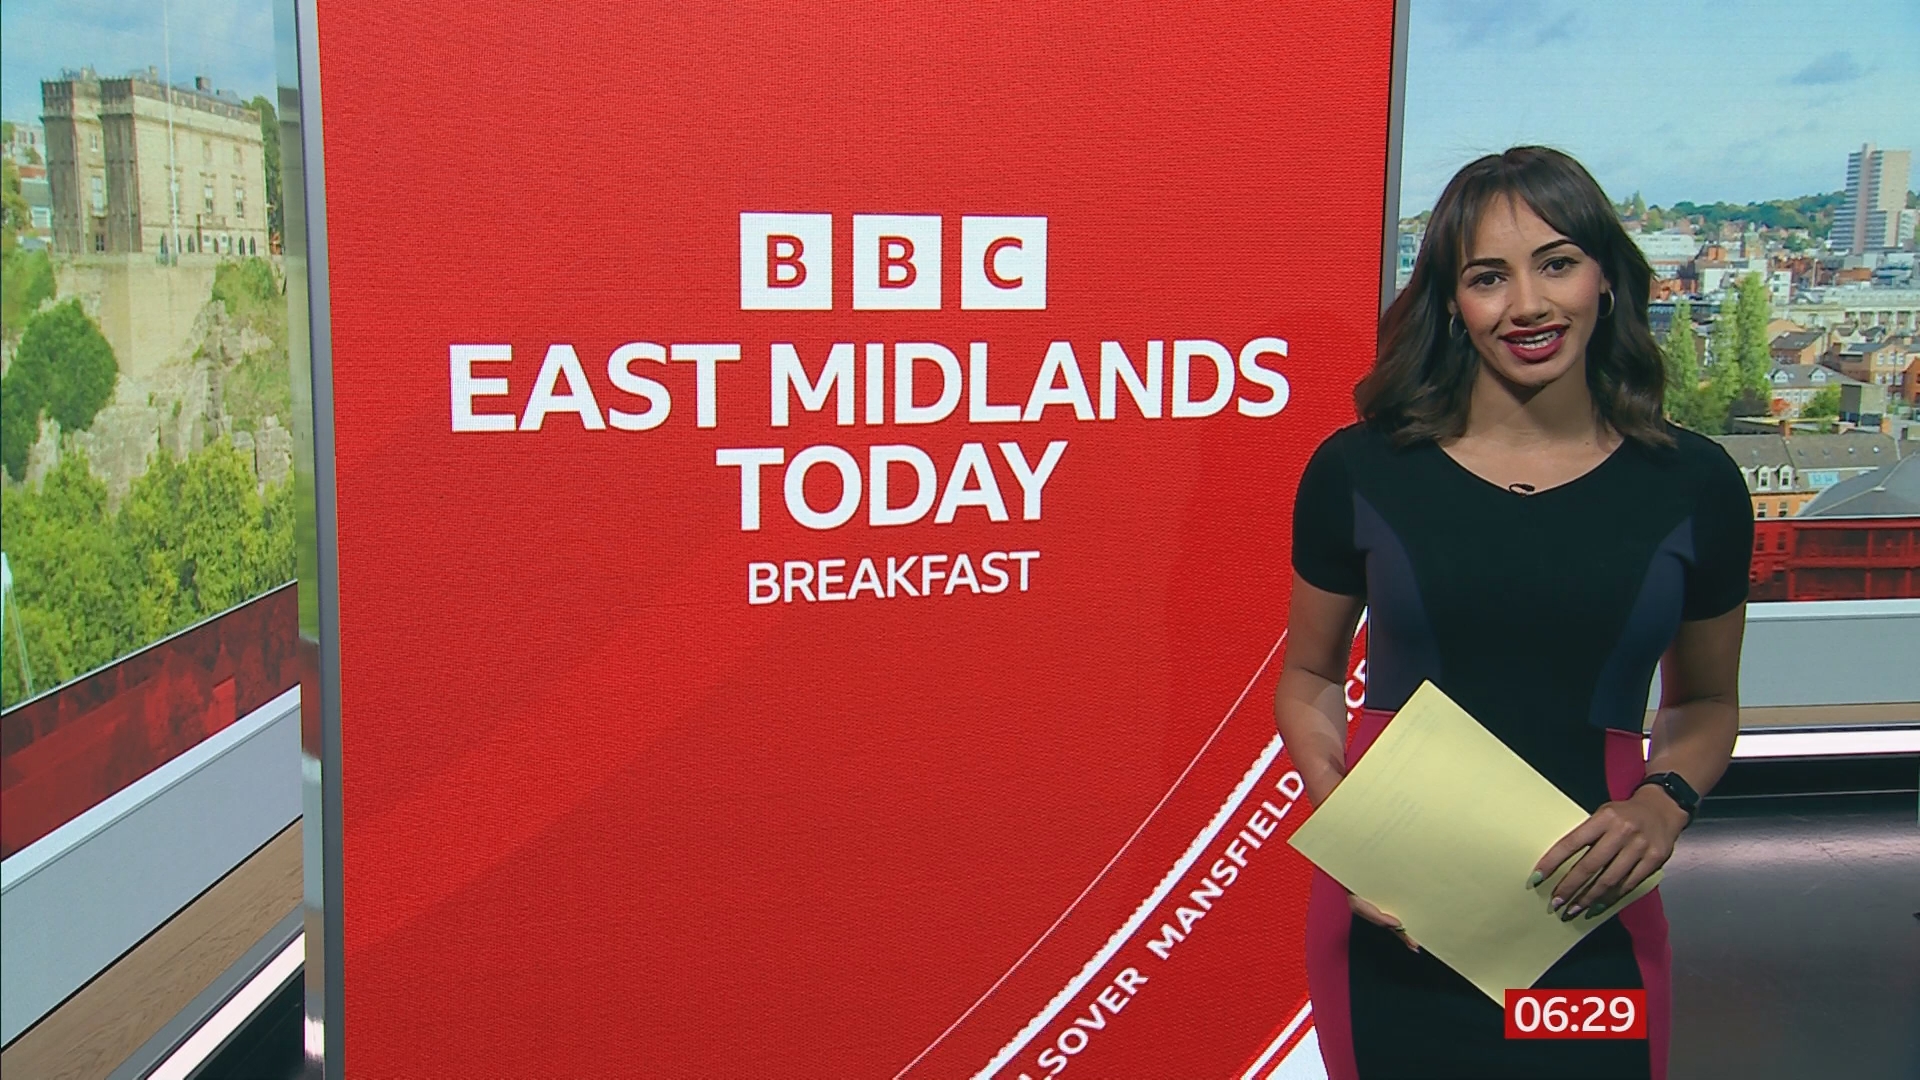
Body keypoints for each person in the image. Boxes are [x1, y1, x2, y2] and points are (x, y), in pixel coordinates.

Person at [1275, 146, 1749, 1080]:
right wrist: (1351, 833)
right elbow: (1310, 677)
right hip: (1396, 918)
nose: (1528, 304)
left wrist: (1664, 805)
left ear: (1605, 277)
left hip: (1589, 913)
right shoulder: (1358, 470)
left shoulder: (1695, 484)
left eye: (1557, 263)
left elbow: (1705, 704)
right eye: (1488, 277)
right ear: (1453, 303)